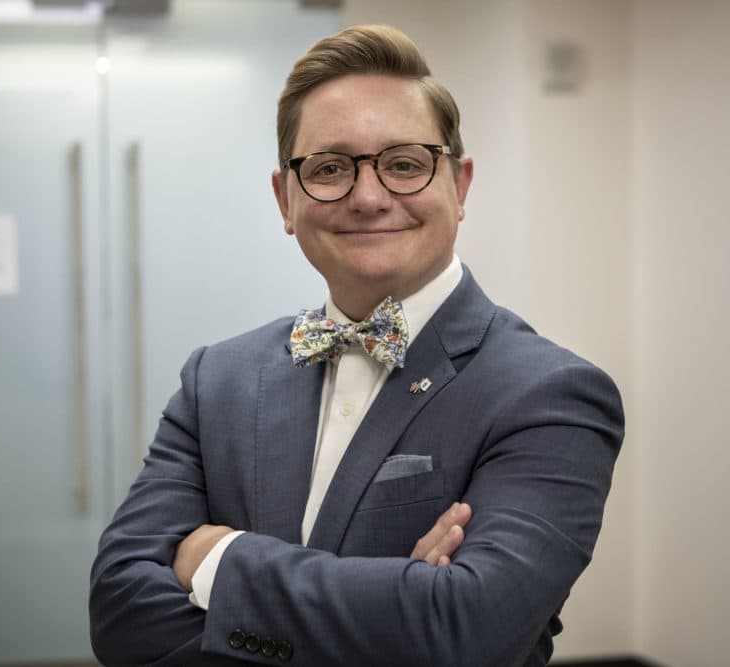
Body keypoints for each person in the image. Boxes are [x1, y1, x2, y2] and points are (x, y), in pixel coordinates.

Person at [89, 24, 623, 667]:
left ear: (460, 186)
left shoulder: (549, 393)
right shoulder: (215, 380)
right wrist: (401, 602)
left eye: (404, 163)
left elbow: (469, 632)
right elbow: (120, 614)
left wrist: (218, 560)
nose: (369, 197)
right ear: (286, 200)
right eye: (330, 169)